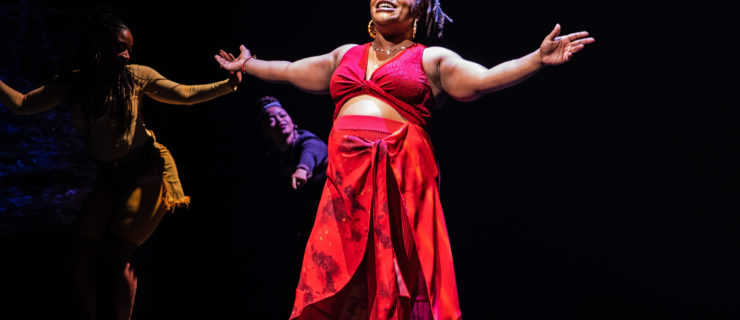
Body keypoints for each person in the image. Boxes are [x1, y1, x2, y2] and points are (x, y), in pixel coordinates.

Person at [216, 0, 594, 318]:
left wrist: (536, 60)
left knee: (400, 273)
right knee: (338, 271)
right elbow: (288, 70)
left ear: (421, 8)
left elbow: (484, 78)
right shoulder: (345, 54)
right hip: (346, 182)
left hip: (401, 175)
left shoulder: (431, 58)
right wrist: (248, 66)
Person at [0, 9, 242, 320]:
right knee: (79, 256)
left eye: (129, 48)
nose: (126, 55)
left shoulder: (136, 77)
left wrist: (228, 84)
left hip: (148, 170)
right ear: (97, 47)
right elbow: (21, 105)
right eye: (119, 47)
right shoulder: (74, 85)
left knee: (116, 259)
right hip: (110, 177)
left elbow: (183, 94)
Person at [258, 95, 328, 191]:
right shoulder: (272, 158)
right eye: (271, 120)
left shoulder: (309, 141)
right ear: (265, 132)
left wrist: (302, 169)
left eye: (282, 115)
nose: (280, 120)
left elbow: (310, 152)